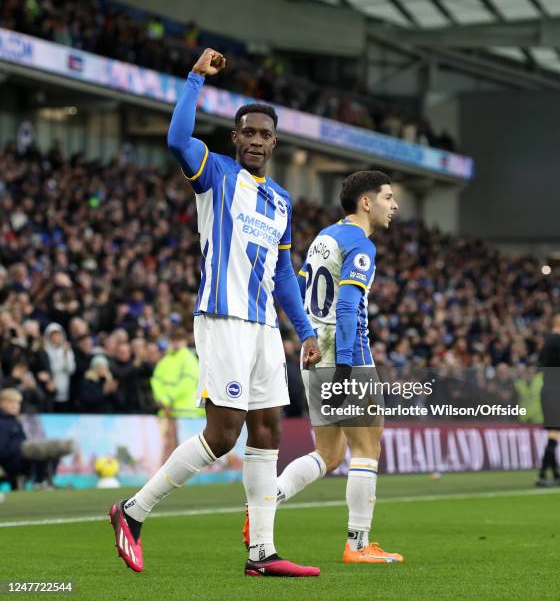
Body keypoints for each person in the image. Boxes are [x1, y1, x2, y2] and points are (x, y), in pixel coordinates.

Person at [109, 48, 321, 577]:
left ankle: (262, 554)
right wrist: (195, 80)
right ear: (235, 138)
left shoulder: (281, 201)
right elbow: (178, 139)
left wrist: (306, 331)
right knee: (223, 433)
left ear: (274, 142)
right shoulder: (214, 173)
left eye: (263, 134)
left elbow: (284, 275)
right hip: (223, 318)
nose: (254, 140)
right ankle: (132, 512)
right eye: (246, 132)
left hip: (265, 328)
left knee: (269, 428)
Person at [243, 171, 403, 564]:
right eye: (387, 197)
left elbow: (297, 291)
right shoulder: (359, 243)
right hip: (346, 355)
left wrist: (306, 338)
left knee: (329, 454)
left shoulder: (324, 238)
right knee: (367, 448)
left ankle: (263, 505)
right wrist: (347, 365)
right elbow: (348, 306)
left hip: (314, 355)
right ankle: (358, 544)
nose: (394, 205)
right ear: (366, 203)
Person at [0, 388, 74, 489]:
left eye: (17, 403)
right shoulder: (2, 423)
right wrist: (22, 449)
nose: (15, 406)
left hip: (23, 459)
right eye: (11, 402)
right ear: (2, 403)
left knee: (52, 452)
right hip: (12, 463)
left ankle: (45, 482)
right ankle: (40, 483)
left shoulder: (15, 421)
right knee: (39, 453)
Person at [151, 328, 202, 463]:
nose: (176, 343)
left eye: (179, 340)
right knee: (167, 443)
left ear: (185, 342)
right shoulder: (165, 359)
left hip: (184, 411)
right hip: (167, 410)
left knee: (184, 446)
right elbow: (155, 380)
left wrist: (167, 399)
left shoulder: (189, 358)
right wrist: (161, 399)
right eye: (174, 340)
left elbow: (188, 382)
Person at [536, 313, 560, 487]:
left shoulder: (547, 343)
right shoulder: (556, 342)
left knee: (555, 430)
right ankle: (543, 472)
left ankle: (555, 473)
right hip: (555, 390)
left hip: (548, 389)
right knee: (555, 431)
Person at [43, 323, 76, 412]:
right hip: (50, 389)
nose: (56, 338)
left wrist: (65, 356)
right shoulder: (45, 351)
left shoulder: (67, 350)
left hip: (64, 387)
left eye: (58, 335)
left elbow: (71, 369)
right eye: (53, 335)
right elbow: (52, 368)